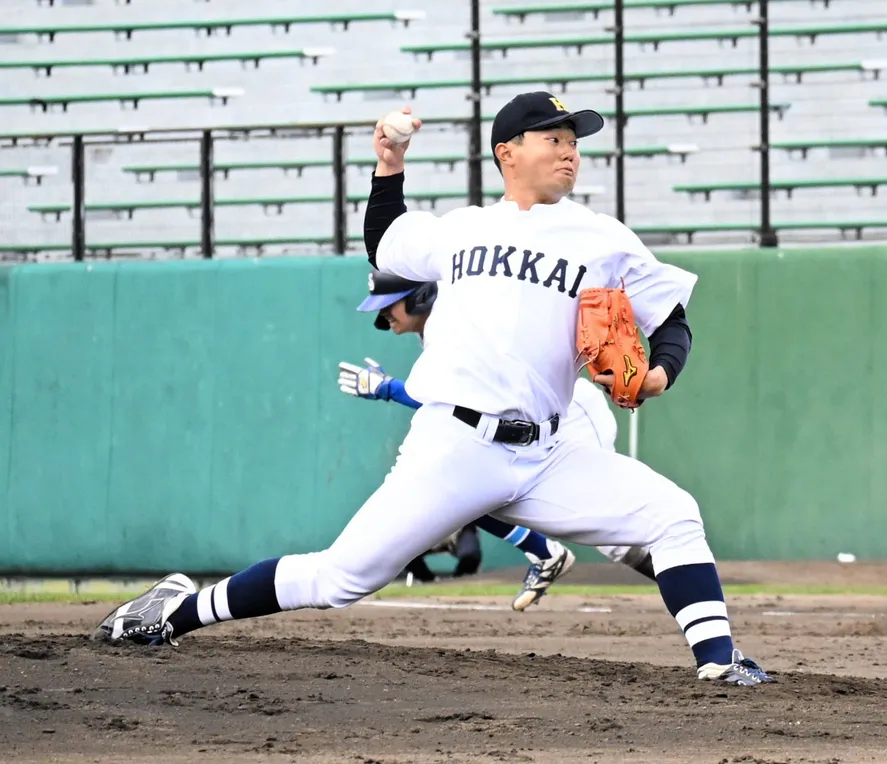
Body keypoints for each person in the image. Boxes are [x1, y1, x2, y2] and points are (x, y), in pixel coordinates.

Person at [94, 93, 770, 686]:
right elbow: (384, 240)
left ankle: (719, 660)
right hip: (455, 445)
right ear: (509, 152)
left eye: (575, 142)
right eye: (554, 139)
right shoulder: (460, 230)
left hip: (548, 452)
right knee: (339, 579)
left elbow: (670, 319)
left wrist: (659, 372)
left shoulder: (602, 238)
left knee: (672, 513)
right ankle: (172, 613)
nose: (570, 153)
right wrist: (389, 163)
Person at [339, 270, 657, 604]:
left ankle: (684, 562)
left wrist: (387, 388)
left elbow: (442, 396)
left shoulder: (454, 319)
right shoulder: (442, 316)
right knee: (468, 488)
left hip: (566, 414)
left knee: (616, 537)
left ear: (419, 297)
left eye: (389, 304)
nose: (384, 314)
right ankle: (546, 552)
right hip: (522, 420)